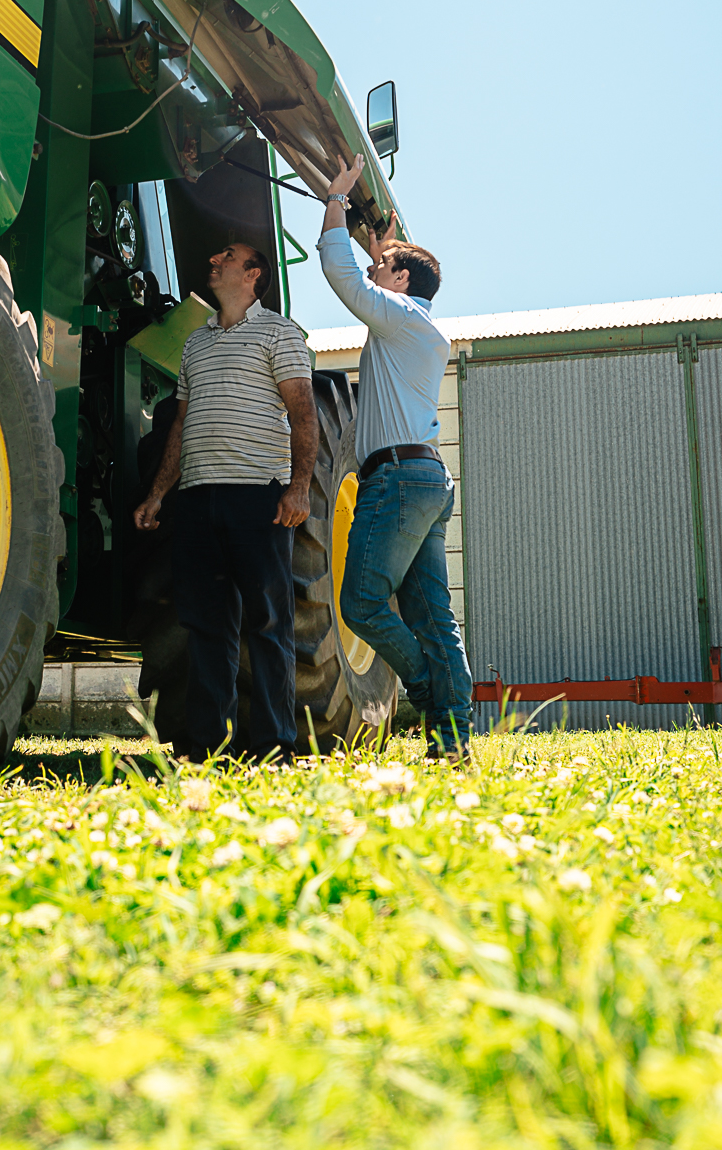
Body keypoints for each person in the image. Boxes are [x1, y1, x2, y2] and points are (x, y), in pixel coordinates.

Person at [133, 242, 317, 762]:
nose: (214, 259)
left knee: (268, 627)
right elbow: (181, 427)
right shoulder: (195, 344)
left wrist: (300, 486)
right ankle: (209, 749)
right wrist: (158, 494)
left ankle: (275, 747)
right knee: (206, 629)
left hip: (257, 502)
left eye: (227, 256)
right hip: (197, 502)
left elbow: (303, 413)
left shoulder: (279, 332)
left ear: (252, 272)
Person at [317, 154, 473, 760]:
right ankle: (453, 733)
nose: (374, 267)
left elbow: (343, 277)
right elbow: (373, 274)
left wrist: (335, 202)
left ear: (403, 283)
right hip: (424, 478)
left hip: (400, 481)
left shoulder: (402, 317)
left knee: (359, 602)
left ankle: (430, 689)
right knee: (434, 617)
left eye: (384, 265)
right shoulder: (413, 325)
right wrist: (384, 245)